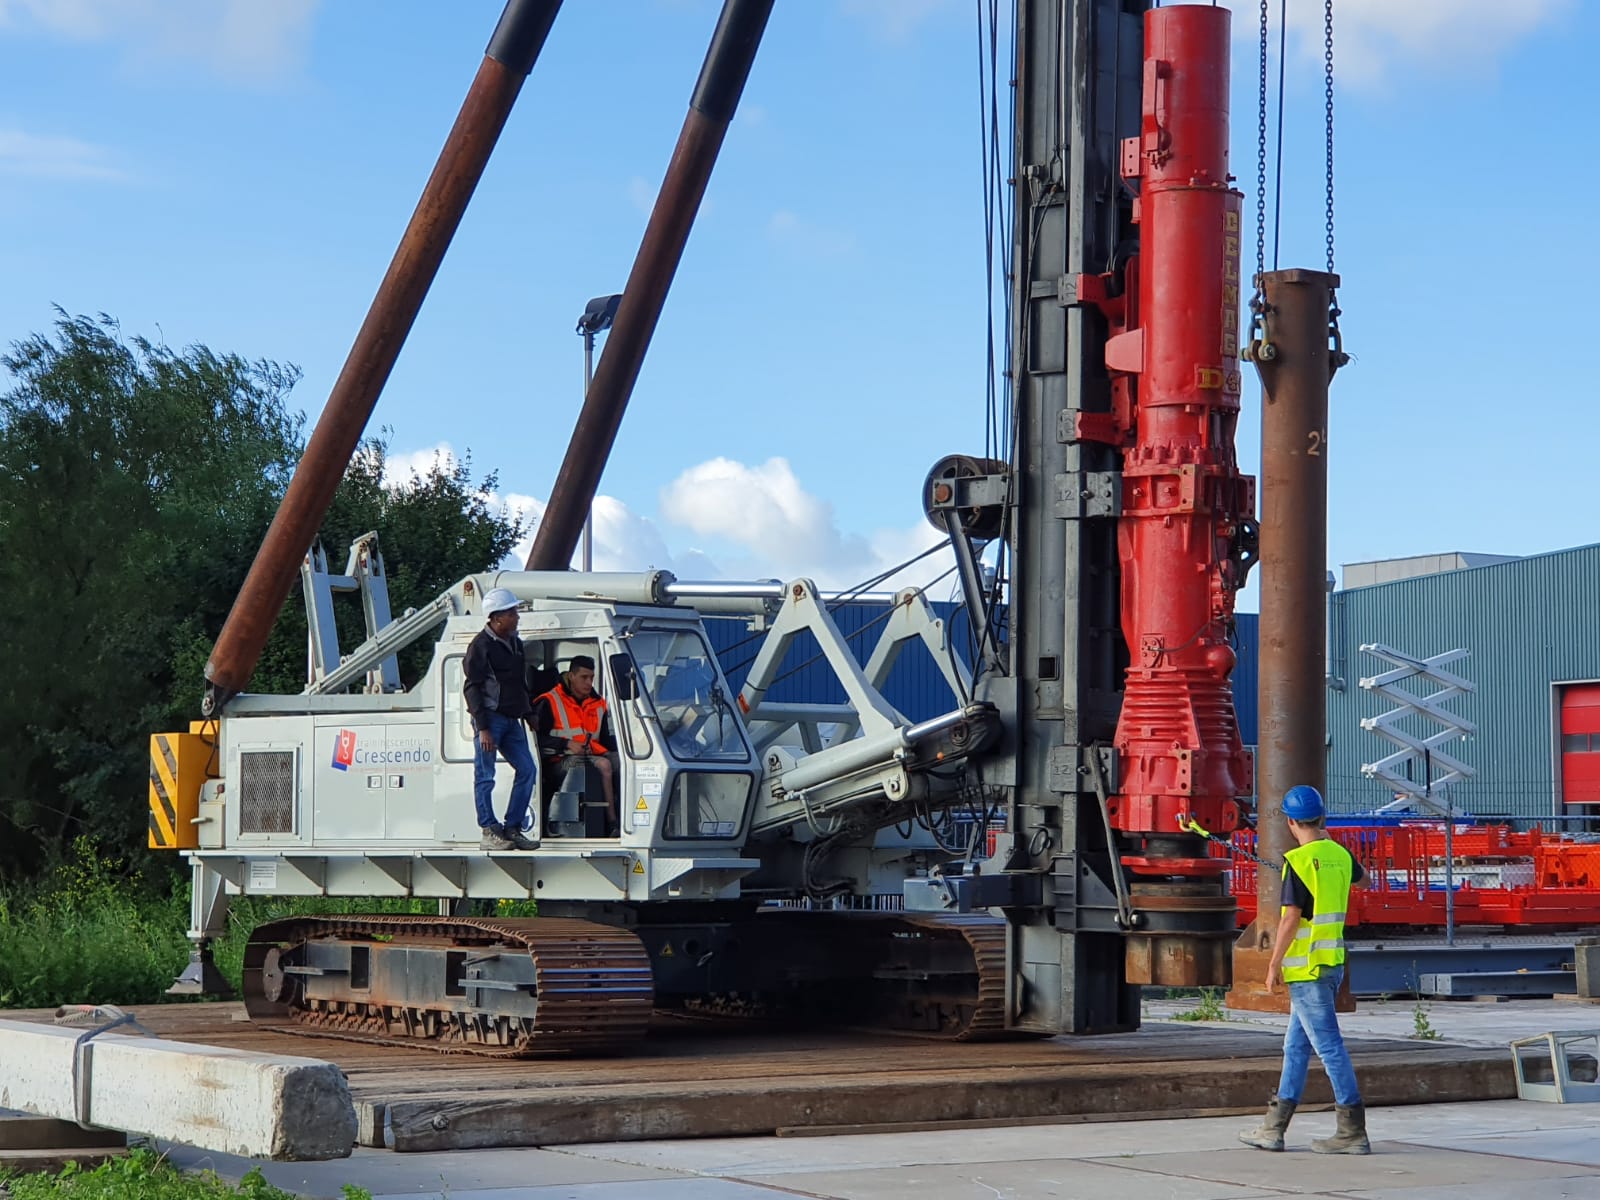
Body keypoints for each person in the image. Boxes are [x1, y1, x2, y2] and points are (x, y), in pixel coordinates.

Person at [1239, 784, 1371, 1155]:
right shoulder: (1339, 855)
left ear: (1292, 821)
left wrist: (1273, 963)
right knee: (1295, 1047)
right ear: (1321, 818)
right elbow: (1366, 880)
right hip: (1331, 965)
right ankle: (1273, 1129)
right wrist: (1331, 850)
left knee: (1329, 1048)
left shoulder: (1297, 861)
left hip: (1307, 971)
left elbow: (1290, 919)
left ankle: (1352, 1132)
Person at [461, 587, 537, 851]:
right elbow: (472, 688)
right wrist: (483, 728)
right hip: (490, 721)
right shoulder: (479, 646)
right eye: (511, 612)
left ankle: (512, 828)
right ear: (495, 618)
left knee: (528, 770)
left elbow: (519, 683)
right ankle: (489, 830)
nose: (517, 617)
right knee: (485, 776)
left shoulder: (515, 642)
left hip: (511, 720)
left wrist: (528, 713)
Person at [530, 654, 618, 835]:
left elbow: (606, 740)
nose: (588, 682)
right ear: (571, 676)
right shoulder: (548, 701)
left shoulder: (599, 703)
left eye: (591, 678)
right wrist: (566, 744)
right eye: (584, 677)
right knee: (605, 765)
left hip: (591, 754)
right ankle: (612, 823)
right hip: (557, 761)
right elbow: (534, 740)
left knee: (624, 763)